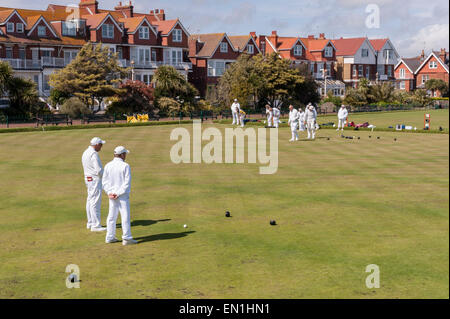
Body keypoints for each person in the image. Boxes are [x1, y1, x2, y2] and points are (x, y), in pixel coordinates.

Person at [102, 146, 137, 245]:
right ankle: (126, 238)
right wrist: (117, 193)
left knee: (111, 216)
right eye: (125, 154)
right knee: (125, 216)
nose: (125, 155)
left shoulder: (108, 165)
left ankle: (110, 237)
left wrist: (110, 192)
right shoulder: (125, 166)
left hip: (112, 195)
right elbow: (126, 184)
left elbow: (104, 182)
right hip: (122, 195)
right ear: (122, 155)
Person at [82, 137, 107, 232]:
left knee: (90, 200)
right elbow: (99, 170)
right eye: (101, 145)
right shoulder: (94, 154)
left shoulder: (85, 152)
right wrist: (106, 177)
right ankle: (96, 225)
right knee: (95, 201)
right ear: (96, 144)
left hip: (88, 179)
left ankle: (90, 222)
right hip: (94, 180)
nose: (101, 147)